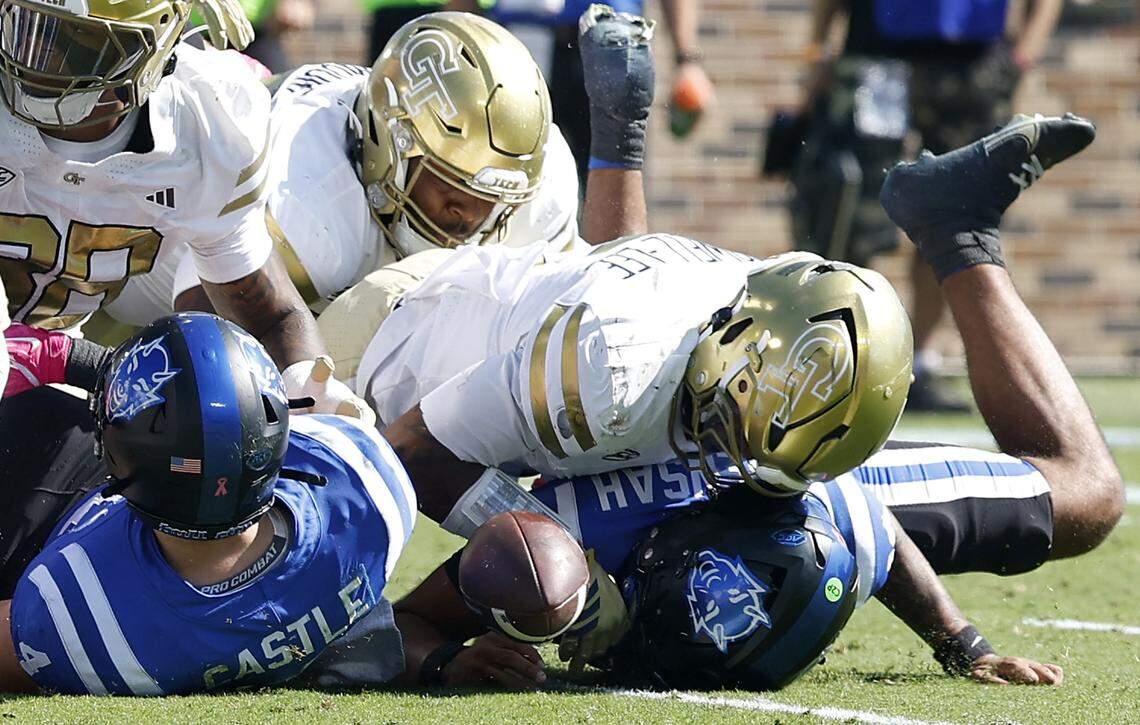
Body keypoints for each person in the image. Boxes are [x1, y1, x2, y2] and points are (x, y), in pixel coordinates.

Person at [388, 112, 1119, 691]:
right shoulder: (611, 379)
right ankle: (958, 232)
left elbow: (861, 517)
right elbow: (416, 452)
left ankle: (953, 228)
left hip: (658, 403)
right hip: (503, 339)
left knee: (1086, 498)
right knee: (1088, 495)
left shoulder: (599, 526)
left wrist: (964, 643)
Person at [0, 311, 581, 694]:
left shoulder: (69, 614)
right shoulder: (369, 489)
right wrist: (433, 658)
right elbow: (253, 422)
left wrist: (70, 360)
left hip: (39, 505)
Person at [101, 11, 582, 332]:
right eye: (449, 187)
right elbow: (203, 342)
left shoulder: (541, 182)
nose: (471, 215)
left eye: (493, 201)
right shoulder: (308, 185)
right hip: (120, 300)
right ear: (386, 147)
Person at [0, 0, 365, 418]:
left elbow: (266, 313)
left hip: (50, 375)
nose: (38, 61)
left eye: (80, 43)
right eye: (27, 28)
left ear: (154, 50)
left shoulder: (207, 119)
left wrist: (305, 383)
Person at [790, 0, 1063, 411]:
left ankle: (921, 367)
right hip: (877, 57)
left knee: (959, 220)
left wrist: (1022, 56)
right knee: (852, 215)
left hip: (972, 65)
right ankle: (845, 362)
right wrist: (817, 49)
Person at [485, 0, 713, 187]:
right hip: (519, 41)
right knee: (509, 183)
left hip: (609, 46)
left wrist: (687, 60)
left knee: (614, 186)